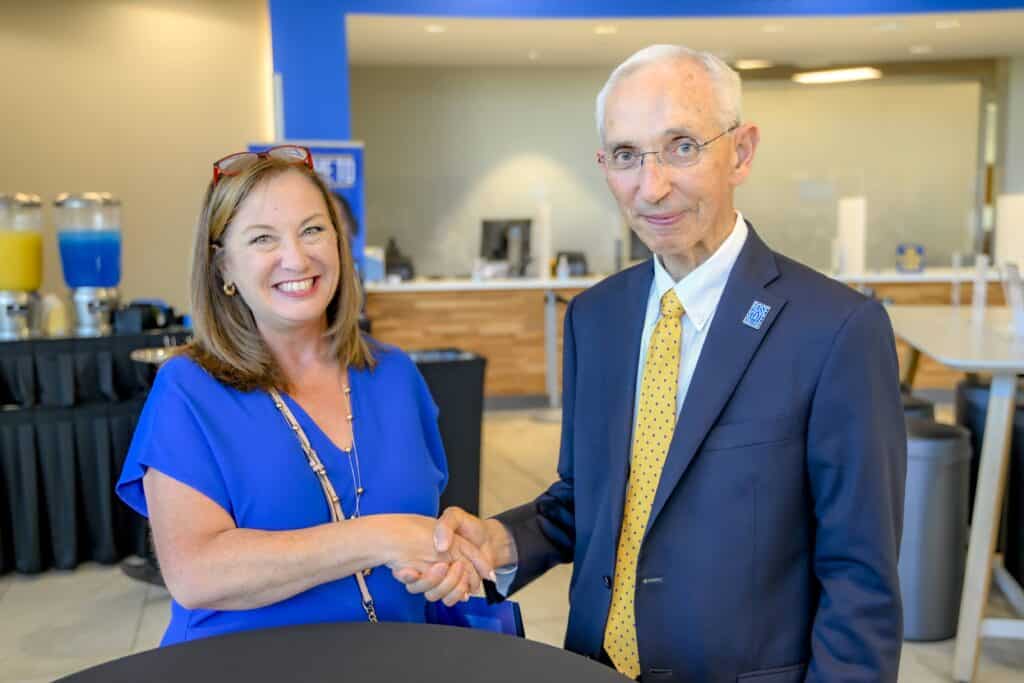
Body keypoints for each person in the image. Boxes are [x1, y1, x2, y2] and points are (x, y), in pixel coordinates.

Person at [398, 46, 907, 682]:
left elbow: (860, 581)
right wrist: (502, 543)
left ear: (741, 152)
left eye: (683, 146)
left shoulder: (835, 330)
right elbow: (589, 500)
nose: (652, 185)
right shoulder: (597, 318)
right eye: (627, 155)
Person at [116, 145, 491, 646]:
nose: (295, 257)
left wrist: (441, 564)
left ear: (339, 244)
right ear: (223, 268)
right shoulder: (189, 388)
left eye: (312, 229)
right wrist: (380, 538)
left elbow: (419, 533)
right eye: (262, 238)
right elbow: (196, 574)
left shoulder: (395, 375)